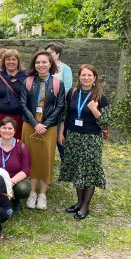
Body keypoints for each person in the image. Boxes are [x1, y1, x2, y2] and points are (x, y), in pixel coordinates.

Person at [58, 64, 110, 220]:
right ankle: (79, 203)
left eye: (89, 75)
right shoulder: (73, 93)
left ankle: (85, 206)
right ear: (79, 77)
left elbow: (106, 122)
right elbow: (65, 115)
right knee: (77, 170)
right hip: (73, 137)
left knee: (89, 172)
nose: (86, 78)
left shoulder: (101, 97)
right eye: (83, 75)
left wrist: (95, 110)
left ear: (94, 78)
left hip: (91, 140)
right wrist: (61, 133)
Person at [20, 50, 65, 210]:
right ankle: (32, 192)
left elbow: (60, 106)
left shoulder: (58, 83)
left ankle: (43, 194)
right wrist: (35, 123)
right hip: (30, 125)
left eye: (44, 62)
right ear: (34, 64)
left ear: (51, 64)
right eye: (38, 62)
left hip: (49, 127)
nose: (41, 65)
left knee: (46, 158)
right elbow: (23, 104)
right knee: (30, 157)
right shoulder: (28, 81)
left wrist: (45, 124)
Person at [0, 117, 31, 212]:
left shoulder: (21, 146)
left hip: (16, 180)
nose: (7, 131)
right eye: (4, 128)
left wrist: (11, 182)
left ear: (14, 131)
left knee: (23, 189)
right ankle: (0, 200)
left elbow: (26, 169)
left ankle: (16, 199)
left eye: (10, 128)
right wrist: (0, 180)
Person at [0, 49, 27, 140]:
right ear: (4, 62)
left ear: (18, 62)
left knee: (17, 146)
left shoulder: (25, 78)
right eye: (8, 59)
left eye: (14, 59)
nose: (11, 62)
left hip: (19, 118)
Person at [45, 42, 73, 162]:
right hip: (46, 106)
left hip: (60, 106)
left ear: (57, 54)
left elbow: (67, 87)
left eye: (50, 53)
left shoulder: (65, 69)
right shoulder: (45, 67)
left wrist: (54, 98)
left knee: (59, 134)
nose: (48, 55)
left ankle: (65, 160)